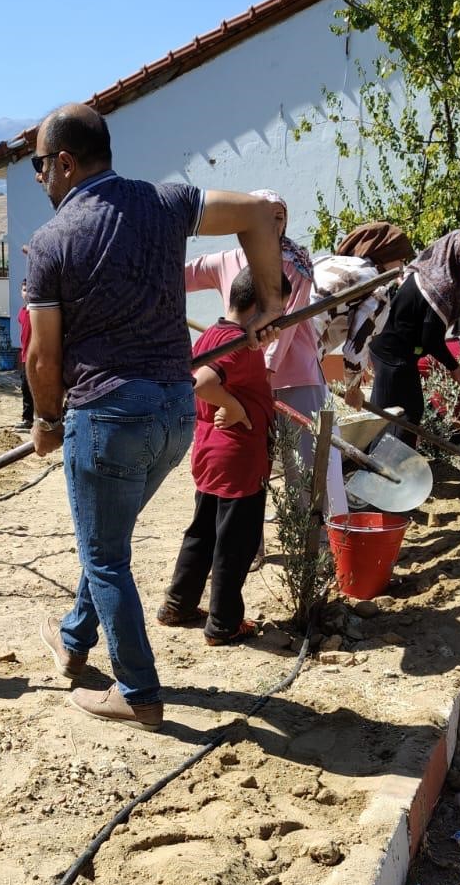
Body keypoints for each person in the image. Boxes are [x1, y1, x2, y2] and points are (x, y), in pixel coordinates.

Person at [24, 101, 284, 731]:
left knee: (105, 556)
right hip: (173, 413)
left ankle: (138, 691)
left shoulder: (52, 241)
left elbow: (42, 355)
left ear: (65, 162)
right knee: (106, 538)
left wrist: (46, 420)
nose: (38, 178)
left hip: (108, 416)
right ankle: (74, 639)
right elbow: (257, 213)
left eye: (39, 165)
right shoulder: (165, 202)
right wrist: (272, 302)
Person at [186, 189, 349, 522]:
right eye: (264, 215)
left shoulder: (294, 263)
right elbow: (177, 277)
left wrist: (265, 372)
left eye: (279, 216)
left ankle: (318, 535)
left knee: (305, 461)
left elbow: (286, 325)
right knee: (247, 457)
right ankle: (249, 540)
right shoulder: (225, 260)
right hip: (240, 374)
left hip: (293, 377)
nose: (273, 223)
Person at [158, 267, 289, 647]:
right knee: (236, 543)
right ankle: (223, 623)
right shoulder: (237, 344)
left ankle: (178, 604)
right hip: (237, 459)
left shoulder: (214, 335)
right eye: (277, 311)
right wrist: (234, 407)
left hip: (212, 453)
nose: (278, 321)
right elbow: (201, 384)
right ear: (260, 307)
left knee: (202, 532)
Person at [367, 229, 460, 448]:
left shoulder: (446, 277)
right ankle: (382, 462)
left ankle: (388, 460)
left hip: (401, 353)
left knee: (405, 412)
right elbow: (431, 338)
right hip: (391, 354)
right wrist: (454, 367)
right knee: (392, 416)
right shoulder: (441, 286)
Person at [311, 221, 414, 408]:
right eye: (400, 259)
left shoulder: (328, 261)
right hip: (302, 356)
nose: (401, 267)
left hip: (273, 343)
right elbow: (355, 347)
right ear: (387, 254)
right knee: (318, 422)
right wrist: (353, 389)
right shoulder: (375, 285)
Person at [16, 278, 34, 428]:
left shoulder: (37, 312)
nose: (26, 293)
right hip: (24, 356)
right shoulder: (22, 312)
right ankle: (27, 418)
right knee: (25, 387)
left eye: (29, 289)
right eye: (24, 290)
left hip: (37, 356)